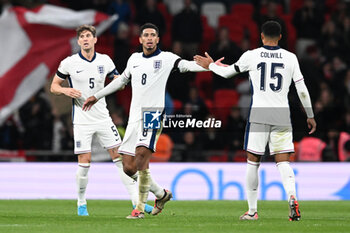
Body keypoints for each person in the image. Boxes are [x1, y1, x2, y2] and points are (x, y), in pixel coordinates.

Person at [83, 23, 219, 219]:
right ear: (139, 39)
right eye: (145, 35)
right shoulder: (134, 59)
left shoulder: (166, 58)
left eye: (152, 35)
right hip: (134, 116)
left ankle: (138, 210)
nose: (148, 38)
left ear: (157, 39)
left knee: (140, 158)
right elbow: (121, 81)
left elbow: (187, 65)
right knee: (128, 167)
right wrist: (96, 96)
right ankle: (161, 194)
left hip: (153, 115)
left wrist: (209, 66)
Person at [194, 21, 317, 221]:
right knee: (283, 161)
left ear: (261, 36)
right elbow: (302, 89)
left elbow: (228, 72)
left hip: (259, 114)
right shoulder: (291, 57)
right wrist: (310, 115)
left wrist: (210, 66)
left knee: (253, 162)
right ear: (280, 37)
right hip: (281, 114)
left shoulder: (251, 55)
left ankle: (252, 212)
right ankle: (292, 196)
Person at [50, 24, 153, 216]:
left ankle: (136, 203)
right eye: (82, 37)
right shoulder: (69, 63)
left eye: (89, 36)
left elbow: (118, 81)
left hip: (103, 117)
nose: (86, 39)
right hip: (82, 119)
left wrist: (119, 84)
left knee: (121, 159)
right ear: (79, 41)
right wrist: (65, 90)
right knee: (85, 161)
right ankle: (81, 203)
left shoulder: (105, 61)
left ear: (95, 39)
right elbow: (54, 86)